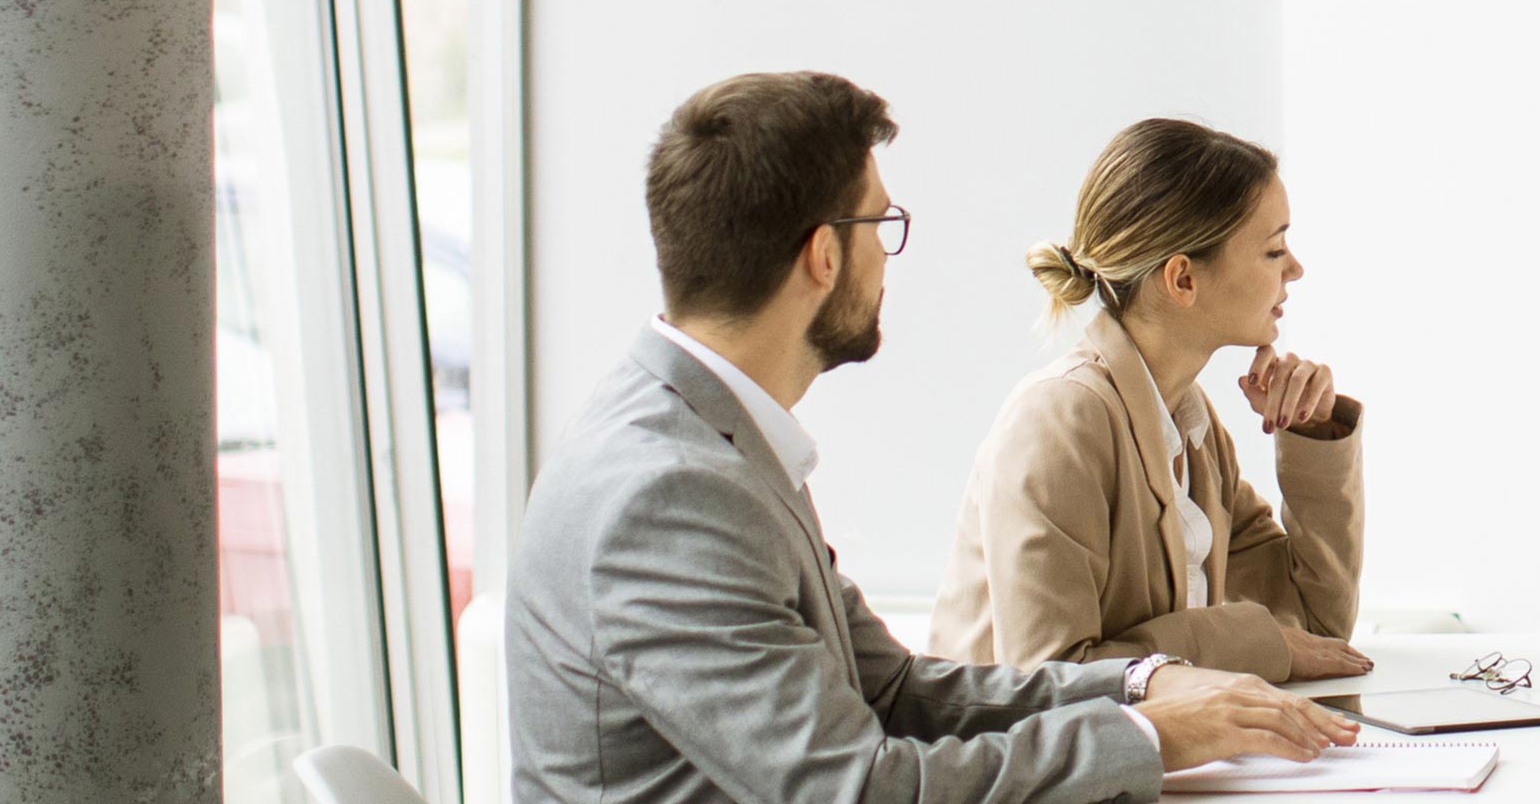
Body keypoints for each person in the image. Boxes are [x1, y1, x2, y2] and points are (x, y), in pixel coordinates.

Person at [505, 73, 1355, 804]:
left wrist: (1139, 684)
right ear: (822, 258)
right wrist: (1152, 736)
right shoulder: (667, 493)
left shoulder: (716, 441)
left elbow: (897, 688)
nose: (891, 256)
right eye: (883, 225)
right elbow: (859, 787)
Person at [929, 119, 1373, 683]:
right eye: (1274, 250)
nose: (1296, 269)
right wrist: (1243, 643)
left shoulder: (1190, 422)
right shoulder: (1059, 421)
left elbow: (1315, 627)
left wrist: (1313, 433)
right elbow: (1051, 682)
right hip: (1015, 764)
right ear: (1183, 279)